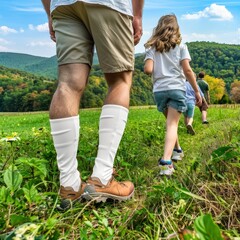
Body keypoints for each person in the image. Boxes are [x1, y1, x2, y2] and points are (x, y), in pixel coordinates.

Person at [41, 0, 144, 210]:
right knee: (120, 81)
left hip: (63, 5)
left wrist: (49, 12)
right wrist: (137, 14)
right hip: (110, 4)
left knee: (68, 84)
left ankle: (69, 184)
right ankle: (102, 178)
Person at [144, 14, 202, 175]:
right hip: (176, 88)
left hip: (159, 91)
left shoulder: (152, 48)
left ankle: (178, 150)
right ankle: (166, 162)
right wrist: (196, 91)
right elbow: (188, 70)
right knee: (172, 125)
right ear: (176, 29)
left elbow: (148, 70)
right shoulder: (181, 47)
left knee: (171, 123)